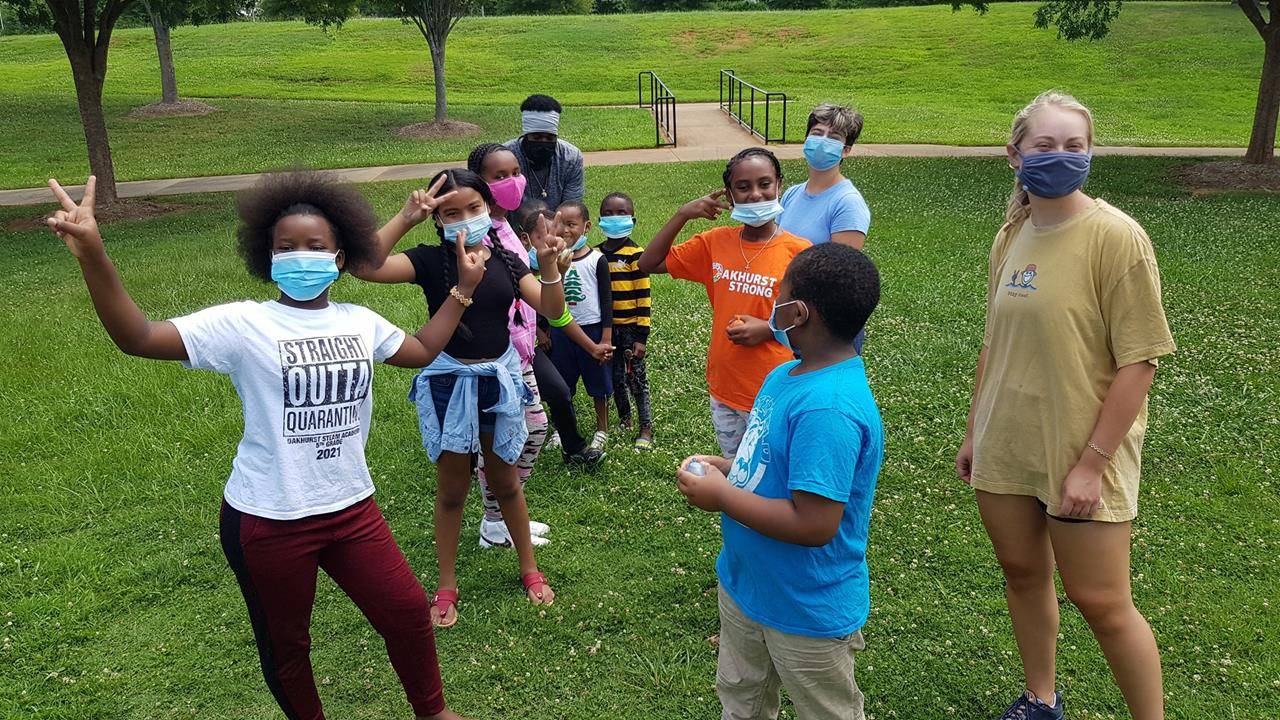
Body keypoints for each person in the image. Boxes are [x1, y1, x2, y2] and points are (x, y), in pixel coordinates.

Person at [44, 171, 476, 720]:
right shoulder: (244, 323)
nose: (300, 256)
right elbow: (139, 337)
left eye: (314, 247)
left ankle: (433, 713)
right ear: (266, 257)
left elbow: (418, 349)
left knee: (407, 609)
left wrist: (462, 291)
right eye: (285, 247)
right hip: (268, 519)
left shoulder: (360, 321)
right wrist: (94, 256)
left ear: (340, 256)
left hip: (350, 507)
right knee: (289, 645)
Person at [955, 91, 1175, 720]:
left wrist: (1090, 464)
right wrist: (977, 432)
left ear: (1090, 152)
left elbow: (1139, 363)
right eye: (1045, 145)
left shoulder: (1116, 237)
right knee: (1022, 573)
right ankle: (1041, 699)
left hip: (1081, 450)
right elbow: (995, 343)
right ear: (1015, 154)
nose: (1060, 157)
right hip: (1008, 441)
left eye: (1074, 146)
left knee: (1103, 603)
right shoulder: (1013, 233)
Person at [676, 242, 883, 720]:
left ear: (798, 313)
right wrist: (728, 468)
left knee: (825, 710)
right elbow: (769, 464)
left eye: (778, 296)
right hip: (747, 585)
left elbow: (814, 524)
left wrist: (722, 497)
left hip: (806, 610)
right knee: (741, 694)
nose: (771, 305)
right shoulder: (786, 375)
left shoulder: (828, 408)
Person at [352, 168, 568, 629]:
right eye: (452, 213)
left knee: (505, 480)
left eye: (474, 208)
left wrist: (547, 264)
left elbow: (551, 308)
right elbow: (364, 266)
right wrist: (405, 218)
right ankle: (446, 584)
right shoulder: (429, 260)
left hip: (499, 382)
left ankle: (529, 569)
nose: (466, 218)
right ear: (438, 220)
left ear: (489, 209)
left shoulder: (507, 262)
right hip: (450, 383)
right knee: (452, 489)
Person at [638, 147, 809, 458]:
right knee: (737, 469)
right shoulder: (714, 243)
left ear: (779, 187)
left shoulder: (799, 252)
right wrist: (682, 214)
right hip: (725, 386)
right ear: (730, 197)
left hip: (773, 388)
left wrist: (770, 329)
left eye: (765, 184)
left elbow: (812, 317)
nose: (755, 194)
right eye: (743, 187)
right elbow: (649, 262)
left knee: (771, 472)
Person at [511, 198, 611, 466]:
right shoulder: (516, 266)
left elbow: (556, 312)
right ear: (524, 239)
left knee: (564, 390)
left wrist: (595, 345)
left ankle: (576, 443)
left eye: (554, 233)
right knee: (548, 392)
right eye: (543, 235)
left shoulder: (561, 264)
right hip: (512, 349)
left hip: (540, 344)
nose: (553, 239)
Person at [779, 103, 873, 353]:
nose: (822, 141)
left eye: (834, 137)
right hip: (790, 315)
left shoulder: (847, 203)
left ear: (846, 150)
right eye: (817, 133)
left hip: (822, 329)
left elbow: (838, 278)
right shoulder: (792, 194)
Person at [550, 200, 613, 452]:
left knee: (599, 382)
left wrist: (606, 337)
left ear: (586, 227)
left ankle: (602, 428)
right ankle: (560, 429)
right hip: (562, 331)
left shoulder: (598, 260)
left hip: (592, 329)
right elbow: (545, 296)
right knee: (561, 384)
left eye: (571, 224)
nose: (565, 230)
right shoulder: (550, 260)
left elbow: (607, 301)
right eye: (559, 224)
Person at [598, 192, 655, 451]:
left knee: (637, 380)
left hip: (631, 329)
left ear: (633, 219)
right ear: (599, 219)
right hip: (608, 329)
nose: (614, 218)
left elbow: (644, 297)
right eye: (608, 213)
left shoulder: (636, 255)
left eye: (621, 213)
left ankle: (646, 427)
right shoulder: (596, 254)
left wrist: (641, 337)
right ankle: (625, 420)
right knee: (615, 378)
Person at [504, 93, 585, 209]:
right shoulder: (506, 156)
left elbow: (571, 206)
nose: (543, 143)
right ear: (526, 135)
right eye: (536, 138)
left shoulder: (571, 157)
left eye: (550, 138)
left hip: (558, 224)